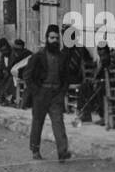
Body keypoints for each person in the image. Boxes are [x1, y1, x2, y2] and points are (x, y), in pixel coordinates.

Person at [21, 24, 75, 161]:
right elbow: (27, 75)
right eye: (52, 38)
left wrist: (62, 92)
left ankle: (62, 152)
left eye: (57, 38)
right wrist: (36, 91)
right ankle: (35, 150)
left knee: (58, 122)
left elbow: (66, 77)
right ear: (46, 38)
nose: (54, 41)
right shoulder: (38, 56)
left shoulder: (62, 57)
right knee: (38, 122)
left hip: (56, 94)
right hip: (41, 93)